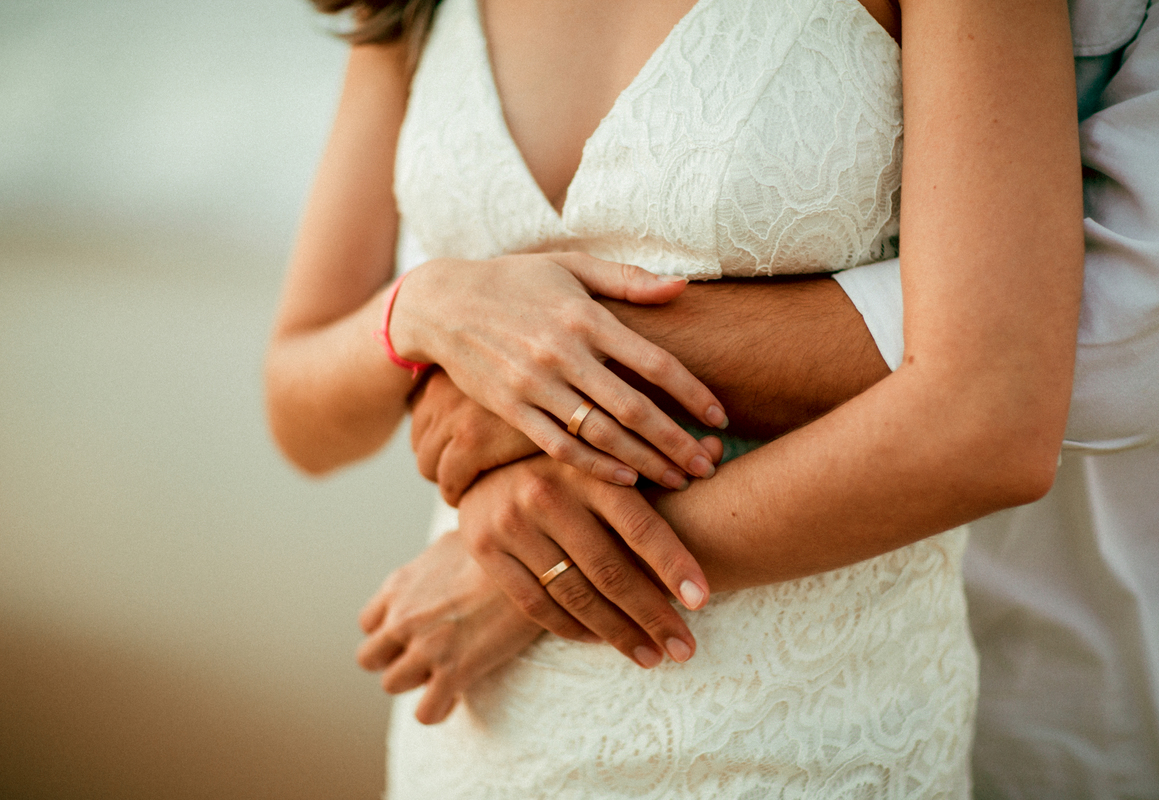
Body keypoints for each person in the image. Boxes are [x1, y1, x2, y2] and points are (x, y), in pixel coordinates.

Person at [265, 0, 1084, 796]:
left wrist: (530, 572)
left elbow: (992, 420)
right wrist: (423, 308)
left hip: (807, 744)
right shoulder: (405, 8)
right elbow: (303, 418)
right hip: (484, 742)